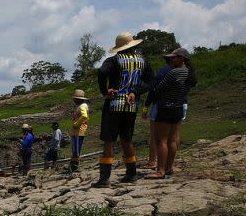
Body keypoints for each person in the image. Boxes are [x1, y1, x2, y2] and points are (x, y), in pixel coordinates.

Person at [94, 32, 154, 187]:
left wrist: (105, 91)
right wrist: (135, 92)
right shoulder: (143, 61)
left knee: (109, 141)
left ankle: (104, 178)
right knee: (127, 140)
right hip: (130, 106)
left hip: (114, 105)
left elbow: (101, 72)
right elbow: (150, 82)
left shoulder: (114, 60)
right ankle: (131, 173)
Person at [145, 47, 197, 179]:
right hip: (178, 107)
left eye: (174, 57)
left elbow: (158, 88)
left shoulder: (173, 73)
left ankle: (160, 170)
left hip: (165, 108)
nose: (171, 59)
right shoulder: (188, 73)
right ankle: (169, 167)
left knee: (160, 140)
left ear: (182, 58)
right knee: (173, 140)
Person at [69, 89, 90, 173]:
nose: (74, 100)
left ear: (78, 99)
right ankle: (73, 165)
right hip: (77, 131)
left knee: (76, 149)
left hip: (79, 130)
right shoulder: (82, 106)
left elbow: (84, 116)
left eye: (75, 98)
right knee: (75, 148)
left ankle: (74, 166)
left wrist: (76, 124)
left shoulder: (82, 106)